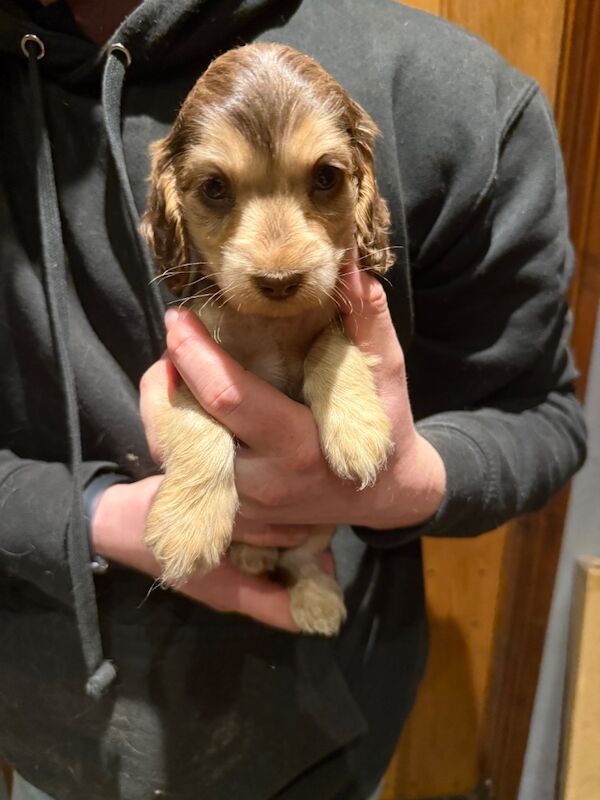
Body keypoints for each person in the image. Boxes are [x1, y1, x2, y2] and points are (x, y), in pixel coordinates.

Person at [0, 1, 587, 799]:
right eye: (215, 190)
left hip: (335, 729)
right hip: (47, 721)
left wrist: (408, 479)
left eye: (324, 182)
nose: (276, 261)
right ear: (171, 199)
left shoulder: (459, 97)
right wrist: (92, 516)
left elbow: (545, 419)